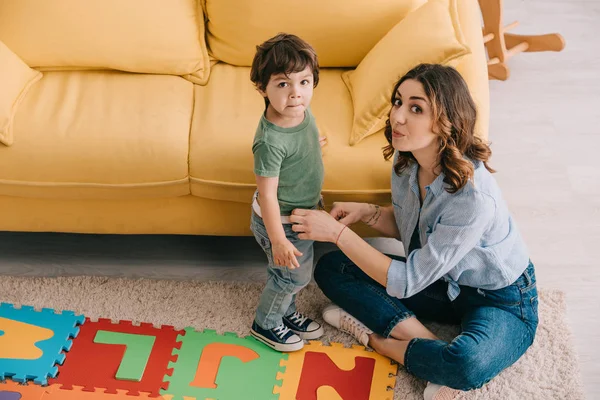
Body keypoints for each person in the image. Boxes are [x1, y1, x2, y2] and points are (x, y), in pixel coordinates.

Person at [289, 64, 538, 399]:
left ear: (445, 122)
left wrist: (336, 233)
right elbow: (417, 230)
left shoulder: (473, 199)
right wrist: (370, 212)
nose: (398, 117)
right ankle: (431, 347)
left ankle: (376, 340)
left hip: (499, 298)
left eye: (416, 108)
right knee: (333, 267)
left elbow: (407, 281)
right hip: (442, 282)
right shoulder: (406, 162)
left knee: (466, 365)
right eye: (398, 102)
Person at [248, 33, 327, 352]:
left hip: (303, 212)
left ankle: (286, 313)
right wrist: (278, 239)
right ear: (262, 88)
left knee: (292, 274)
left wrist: (312, 146)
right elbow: (266, 195)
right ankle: (265, 323)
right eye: (283, 84)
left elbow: (301, 141)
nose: (296, 94)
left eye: (304, 82)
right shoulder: (269, 142)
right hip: (281, 222)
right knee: (291, 277)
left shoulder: (301, 113)